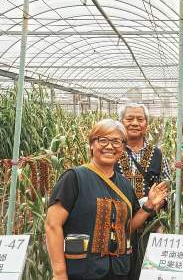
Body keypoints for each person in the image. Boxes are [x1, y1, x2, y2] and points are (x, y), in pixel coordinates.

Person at [45, 119, 168, 280]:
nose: (110, 146)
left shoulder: (124, 184)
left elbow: (127, 228)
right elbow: (52, 225)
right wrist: (59, 273)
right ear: (91, 144)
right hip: (81, 272)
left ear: (123, 148)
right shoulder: (74, 178)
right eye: (103, 140)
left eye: (117, 141)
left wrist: (149, 205)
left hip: (119, 271)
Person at [115, 103, 172, 280]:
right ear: (121, 122)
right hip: (118, 223)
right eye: (129, 119)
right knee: (120, 268)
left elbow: (167, 183)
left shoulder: (157, 154)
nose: (134, 123)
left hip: (151, 224)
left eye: (140, 119)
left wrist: (160, 201)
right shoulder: (112, 150)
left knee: (148, 268)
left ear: (146, 124)